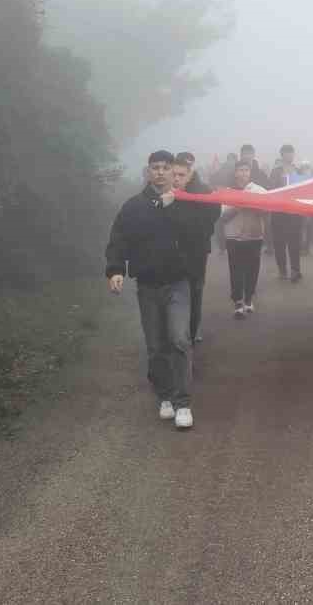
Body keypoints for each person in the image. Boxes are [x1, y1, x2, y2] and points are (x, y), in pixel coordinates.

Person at [105, 150, 196, 430]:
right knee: (156, 346)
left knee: (179, 339)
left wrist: (171, 209)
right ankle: (165, 396)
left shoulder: (185, 203)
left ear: (173, 172)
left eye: (165, 167)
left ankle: (183, 403)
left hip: (178, 283)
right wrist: (116, 269)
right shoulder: (133, 206)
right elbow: (119, 238)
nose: (160, 172)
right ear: (148, 172)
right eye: (155, 167)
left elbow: (197, 236)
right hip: (148, 284)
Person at [171, 153, 221, 346]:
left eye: (181, 175)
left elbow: (212, 217)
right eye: (174, 174)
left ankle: (192, 330)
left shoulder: (204, 191)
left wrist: (198, 229)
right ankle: (176, 331)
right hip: (172, 251)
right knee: (175, 289)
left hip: (197, 250)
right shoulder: (165, 191)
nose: (176, 179)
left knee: (195, 290)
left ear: (190, 172)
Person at [219, 158, 268, 319]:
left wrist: (253, 205)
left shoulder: (260, 190)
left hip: (254, 236)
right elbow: (223, 217)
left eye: (246, 170)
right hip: (233, 237)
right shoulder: (226, 192)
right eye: (240, 170)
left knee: (252, 270)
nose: (243, 173)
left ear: (250, 173)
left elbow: (267, 212)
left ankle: (249, 299)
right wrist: (238, 205)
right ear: (235, 173)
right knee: (236, 270)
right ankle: (238, 302)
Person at [266, 144, 304, 282]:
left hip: (295, 213)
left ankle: (295, 270)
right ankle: (282, 270)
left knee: (295, 243)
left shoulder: (298, 171)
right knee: (279, 243)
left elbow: (303, 189)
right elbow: (271, 189)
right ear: (282, 155)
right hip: (279, 213)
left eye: (291, 153)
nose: (289, 155)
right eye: (286, 153)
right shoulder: (276, 172)